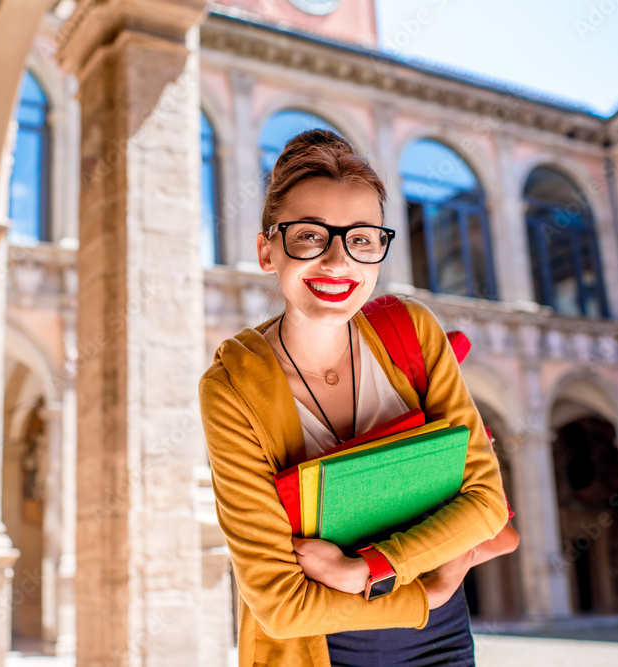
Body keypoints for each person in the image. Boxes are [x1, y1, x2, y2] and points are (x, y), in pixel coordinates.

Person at [198, 129, 517, 667]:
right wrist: (427, 592)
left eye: (362, 239)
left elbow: (485, 503)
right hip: (316, 652)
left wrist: (369, 568)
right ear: (266, 250)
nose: (337, 262)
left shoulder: (412, 331)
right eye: (308, 236)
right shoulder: (232, 386)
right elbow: (280, 605)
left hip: (444, 643)